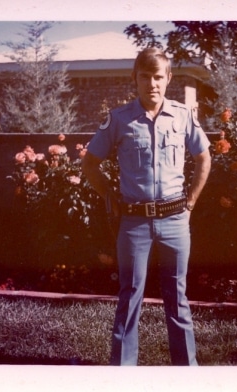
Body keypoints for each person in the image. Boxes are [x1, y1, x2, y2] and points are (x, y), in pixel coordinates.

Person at [82, 47, 211, 366]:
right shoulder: (120, 119)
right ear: (135, 79)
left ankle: (186, 371)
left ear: (168, 79)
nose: (152, 83)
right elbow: (90, 163)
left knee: (178, 299)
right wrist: (110, 196)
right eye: (145, 76)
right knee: (129, 297)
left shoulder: (183, 116)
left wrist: (191, 199)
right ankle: (123, 374)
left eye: (158, 77)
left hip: (175, 220)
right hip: (134, 224)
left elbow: (204, 157)